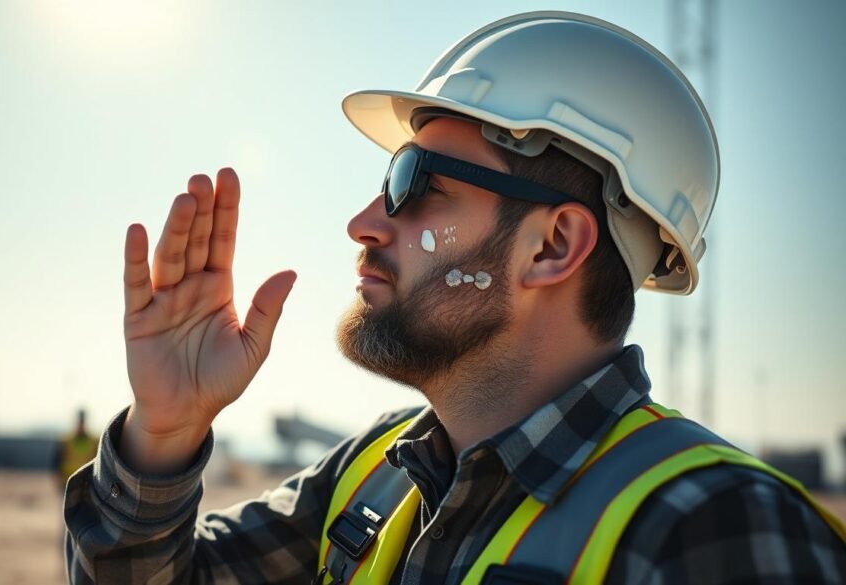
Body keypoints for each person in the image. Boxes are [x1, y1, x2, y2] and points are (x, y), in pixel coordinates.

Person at [63, 11, 846, 584]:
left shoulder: (718, 527)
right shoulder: (374, 473)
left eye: (415, 184)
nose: (364, 222)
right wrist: (164, 432)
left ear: (552, 246)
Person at [54, 409, 98, 490]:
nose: (81, 425)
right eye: (80, 423)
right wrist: (57, 478)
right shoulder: (66, 441)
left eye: (82, 423)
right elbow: (57, 461)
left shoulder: (94, 442)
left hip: (86, 480)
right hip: (68, 480)